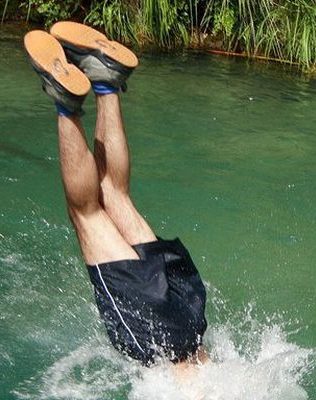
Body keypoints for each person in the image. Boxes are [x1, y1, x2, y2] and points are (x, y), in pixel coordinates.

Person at [23, 22, 209, 371]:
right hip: (158, 337)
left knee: (116, 196)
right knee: (86, 214)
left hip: (190, 310)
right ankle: (66, 104)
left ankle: (106, 81)